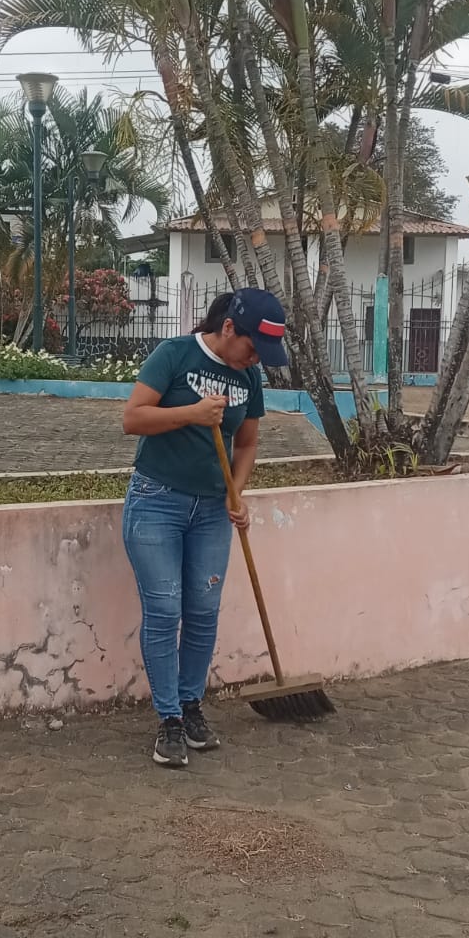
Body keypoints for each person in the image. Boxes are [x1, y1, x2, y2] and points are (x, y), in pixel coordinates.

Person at [122, 287, 288, 768]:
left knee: (202, 611)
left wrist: (237, 492)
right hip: (157, 502)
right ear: (229, 327)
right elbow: (132, 419)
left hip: (213, 510)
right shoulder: (174, 354)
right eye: (253, 347)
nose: (255, 359)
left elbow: (247, 443)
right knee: (164, 610)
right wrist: (192, 415)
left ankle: (191, 706)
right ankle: (169, 719)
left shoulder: (248, 376)